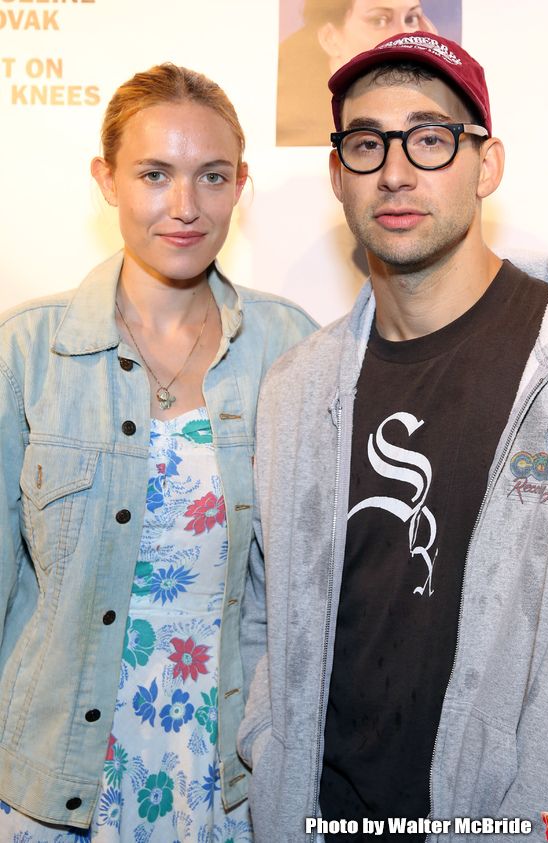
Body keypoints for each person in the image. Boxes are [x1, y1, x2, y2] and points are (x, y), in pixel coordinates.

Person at [240, 31, 548, 841]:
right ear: (338, 174)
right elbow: (268, 611)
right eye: (367, 144)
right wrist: (269, 757)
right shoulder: (295, 387)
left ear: (487, 163)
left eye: (431, 139)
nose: (396, 171)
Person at [0, 64, 316, 841]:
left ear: (241, 184)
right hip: (54, 775)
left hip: (227, 772)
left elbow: (311, 598)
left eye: (212, 176)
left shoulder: (293, 347)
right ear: (106, 180)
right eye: (154, 174)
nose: (184, 206)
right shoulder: (28, 350)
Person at [277, 0, 438, 146]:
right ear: (330, 38)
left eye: (411, 18)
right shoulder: (300, 110)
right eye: (379, 21)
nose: (404, 35)